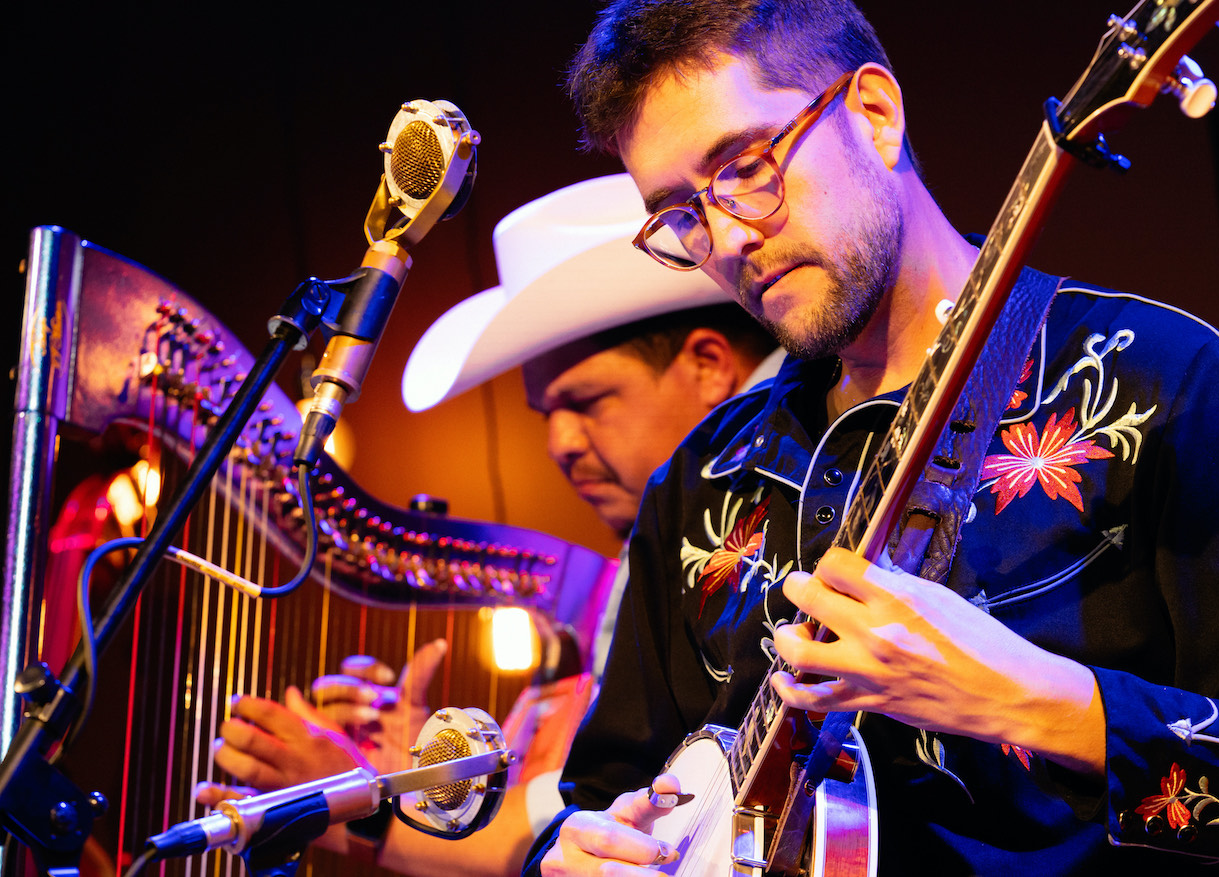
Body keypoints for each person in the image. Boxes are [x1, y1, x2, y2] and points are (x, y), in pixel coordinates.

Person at [526, 2, 1219, 875]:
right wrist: (572, 853)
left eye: (745, 167)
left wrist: (1040, 702)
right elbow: (597, 798)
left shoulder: (1162, 381)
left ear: (874, 113)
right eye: (681, 213)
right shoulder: (705, 479)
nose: (728, 238)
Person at [197, 174, 782, 877]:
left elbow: (617, 816)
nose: (560, 443)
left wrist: (366, 799)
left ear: (709, 366)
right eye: (546, 415)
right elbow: (611, 808)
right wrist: (423, 774)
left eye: (586, 401)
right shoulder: (666, 531)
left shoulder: (796, 469)